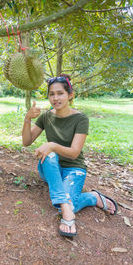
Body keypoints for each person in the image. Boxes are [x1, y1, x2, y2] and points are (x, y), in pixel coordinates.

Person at [22, 74, 118, 237]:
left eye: (60, 93)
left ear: (70, 95)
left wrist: (52, 145)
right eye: (51, 94)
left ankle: (92, 198)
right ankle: (68, 210)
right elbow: (27, 141)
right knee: (50, 155)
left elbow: (74, 153)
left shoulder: (80, 118)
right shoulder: (46, 116)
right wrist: (27, 119)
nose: (55, 98)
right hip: (51, 168)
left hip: (74, 169)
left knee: (64, 205)